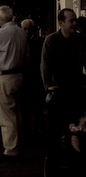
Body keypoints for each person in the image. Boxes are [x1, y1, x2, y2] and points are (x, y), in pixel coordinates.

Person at [41, 8, 86, 158]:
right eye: (71, 21)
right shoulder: (52, 40)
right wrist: (49, 85)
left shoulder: (80, 40)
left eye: (75, 20)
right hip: (59, 88)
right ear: (61, 23)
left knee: (77, 121)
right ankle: (56, 153)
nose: (74, 23)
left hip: (76, 87)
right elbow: (45, 65)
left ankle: (75, 149)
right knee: (57, 122)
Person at [0, 5, 29, 160]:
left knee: (6, 115)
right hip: (18, 75)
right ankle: (18, 145)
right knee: (16, 113)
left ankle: (11, 149)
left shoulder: (4, 32)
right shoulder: (20, 31)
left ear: (0, 19)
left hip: (4, 76)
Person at [20, 18, 45, 142]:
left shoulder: (39, 42)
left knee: (37, 107)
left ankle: (38, 130)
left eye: (29, 29)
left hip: (36, 78)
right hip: (24, 78)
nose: (27, 31)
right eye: (25, 28)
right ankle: (27, 132)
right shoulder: (20, 41)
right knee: (24, 108)